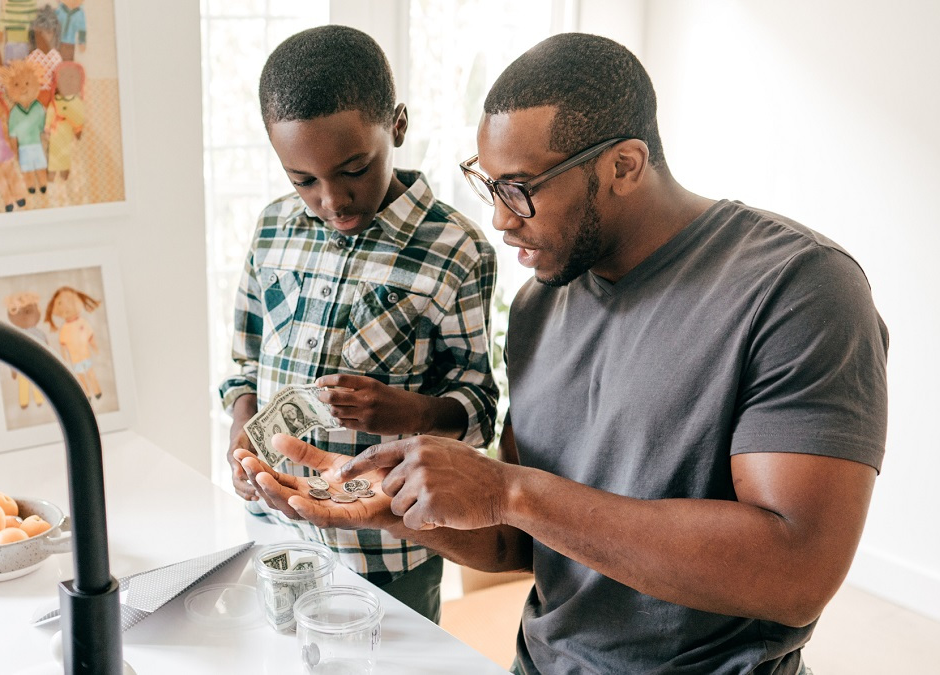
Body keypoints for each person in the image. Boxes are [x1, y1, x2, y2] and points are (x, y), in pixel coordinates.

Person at [239, 33, 887, 674]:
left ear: (623, 166)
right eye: (489, 184)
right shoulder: (536, 307)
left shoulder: (798, 287)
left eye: (520, 188)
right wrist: (398, 509)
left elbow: (794, 573)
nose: (500, 219)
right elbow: (520, 540)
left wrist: (507, 488)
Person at [218, 25, 499, 624]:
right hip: (274, 532)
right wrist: (243, 430)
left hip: (388, 552)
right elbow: (244, 362)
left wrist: (407, 412)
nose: (333, 200)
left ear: (397, 126)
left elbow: (478, 408)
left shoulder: (456, 250)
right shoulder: (272, 229)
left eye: (353, 169)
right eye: (303, 181)